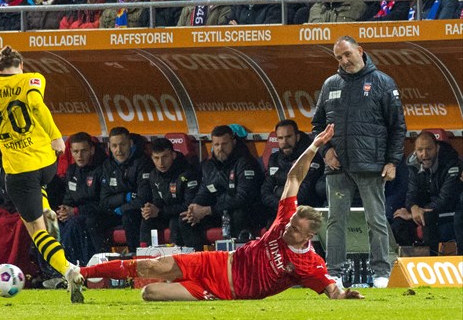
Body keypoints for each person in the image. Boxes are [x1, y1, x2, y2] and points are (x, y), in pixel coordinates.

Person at [79, 124, 365, 301]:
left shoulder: (310, 265)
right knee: (151, 267)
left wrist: (343, 294)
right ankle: (81, 273)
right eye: (289, 224)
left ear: (310, 236)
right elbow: (293, 178)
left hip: (224, 290)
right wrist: (314, 145)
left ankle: (173, 285)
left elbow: (331, 289)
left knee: (149, 293)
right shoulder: (283, 221)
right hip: (216, 262)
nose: (286, 229)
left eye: (294, 230)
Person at [0, 46, 84, 303]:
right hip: (47, 162)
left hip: (19, 170)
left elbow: (30, 105)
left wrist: (55, 134)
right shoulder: (33, 79)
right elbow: (36, 104)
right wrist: (56, 137)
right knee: (39, 190)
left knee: (37, 233)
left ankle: (67, 270)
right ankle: (46, 206)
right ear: (22, 65)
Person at [311, 36, 406, 289]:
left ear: (360, 51)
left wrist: (392, 161)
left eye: (347, 54)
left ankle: (381, 274)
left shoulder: (383, 83)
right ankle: (335, 274)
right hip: (338, 166)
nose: (344, 61)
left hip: (371, 164)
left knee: (376, 220)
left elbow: (398, 127)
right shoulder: (330, 84)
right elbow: (317, 125)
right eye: (339, 58)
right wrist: (326, 151)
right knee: (335, 220)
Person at [179, 125, 264, 250]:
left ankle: (239, 260)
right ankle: (199, 261)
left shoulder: (245, 162)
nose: (220, 148)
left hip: (247, 212)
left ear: (233, 142)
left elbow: (243, 198)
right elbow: (204, 190)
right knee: (185, 219)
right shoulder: (208, 165)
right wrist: (195, 207)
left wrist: (208, 210)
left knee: (238, 214)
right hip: (218, 212)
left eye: (224, 144)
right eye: (216, 145)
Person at [391, 132, 462, 255]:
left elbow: (445, 199)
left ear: (437, 147)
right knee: (399, 221)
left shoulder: (452, 163)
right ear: (415, 151)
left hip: (450, 210)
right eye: (420, 150)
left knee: (427, 218)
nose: (424, 154)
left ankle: (431, 261)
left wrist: (416, 213)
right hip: (426, 210)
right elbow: (411, 194)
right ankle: (408, 264)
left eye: (429, 149)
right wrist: (413, 208)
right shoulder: (413, 165)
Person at [52, 132, 106, 266]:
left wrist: (75, 211)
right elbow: (68, 198)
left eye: (83, 151)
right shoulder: (71, 170)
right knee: (52, 225)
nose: (80, 156)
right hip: (75, 214)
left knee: (74, 224)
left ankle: (73, 267)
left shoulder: (101, 169)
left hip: (95, 215)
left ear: (92, 150)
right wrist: (62, 210)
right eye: (76, 151)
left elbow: (103, 203)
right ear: (71, 152)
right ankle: (50, 271)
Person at [260, 120, 325, 228]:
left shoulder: (311, 157)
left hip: (303, 212)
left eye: (288, 137)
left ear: (297, 137)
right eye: (280, 138)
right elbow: (265, 191)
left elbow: (304, 193)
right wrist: (282, 206)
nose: (284, 142)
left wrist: (279, 196)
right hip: (280, 211)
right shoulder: (274, 158)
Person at [99, 127, 154, 252]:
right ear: (109, 146)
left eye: (122, 145)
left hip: (136, 212)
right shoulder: (107, 165)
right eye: (114, 146)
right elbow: (104, 200)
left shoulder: (142, 163)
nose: (119, 150)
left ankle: (134, 256)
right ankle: (101, 259)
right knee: (93, 220)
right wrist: (125, 197)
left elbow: (143, 198)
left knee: (129, 217)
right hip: (116, 211)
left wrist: (122, 208)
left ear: (130, 143)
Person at [141, 137, 200, 246]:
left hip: (183, 214)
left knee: (177, 221)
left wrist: (159, 211)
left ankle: (181, 257)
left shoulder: (187, 172)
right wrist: (150, 209)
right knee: (147, 219)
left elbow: (189, 205)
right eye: (156, 158)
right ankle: (145, 254)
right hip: (167, 212)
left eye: (165, 157)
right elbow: (157, 200)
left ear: (173, 155)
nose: (161, 163)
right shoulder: (154, 175)